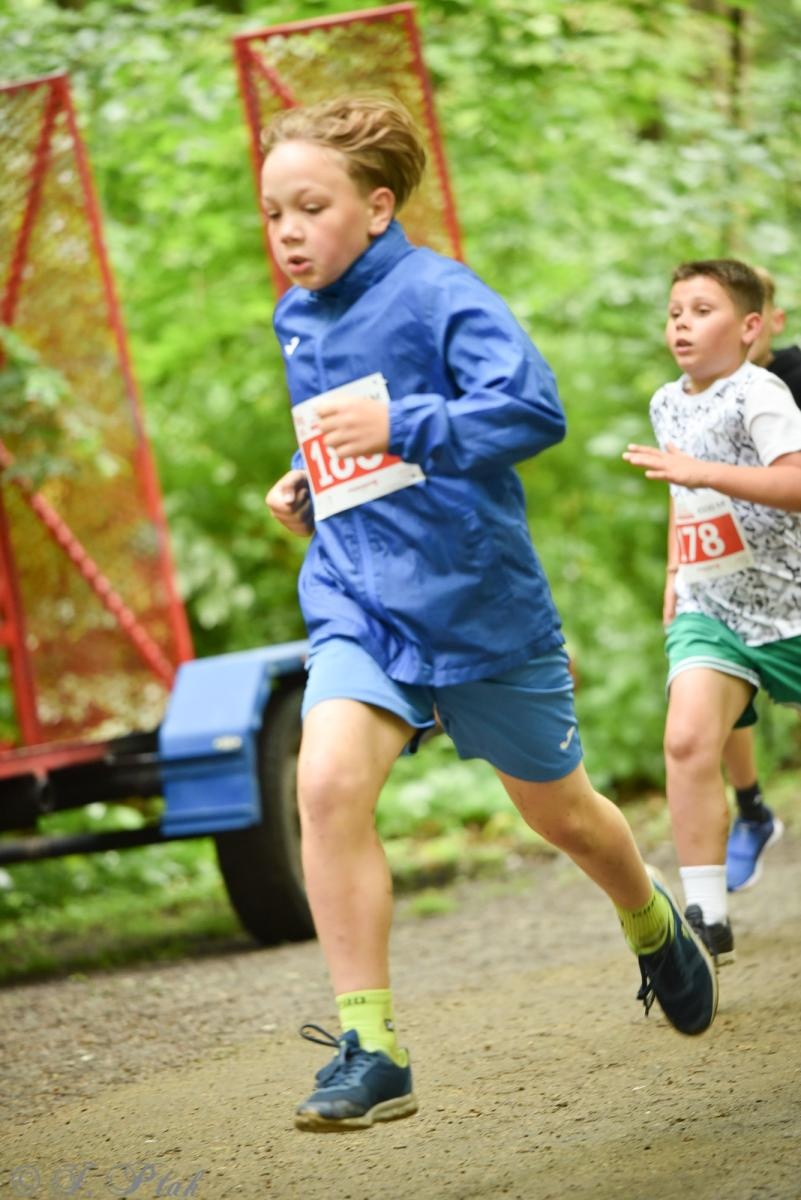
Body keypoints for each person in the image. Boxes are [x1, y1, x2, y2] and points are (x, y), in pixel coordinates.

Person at [261, 95, 717, 1134]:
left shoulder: (439, 294)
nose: (288, 232)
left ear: (378, 208)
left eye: (311, 208)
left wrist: (399, 421)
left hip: (475, 605)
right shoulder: (298, 316)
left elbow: (529, 411)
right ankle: (373, 1048)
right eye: (274, 212)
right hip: (359, 601)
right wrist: (306, 480)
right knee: (325, 785)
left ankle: (649, 918)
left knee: (564, 818)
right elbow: (347, 436)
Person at [623, 258, 801, 964]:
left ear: (750, 327)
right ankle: (705, 918)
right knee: (686, 742)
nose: (682, 325)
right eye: (674, 313)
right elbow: (683, 492)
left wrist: (705, 472)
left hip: (790, 604)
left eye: (701, 311)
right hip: (713, 604)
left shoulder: (761, 393)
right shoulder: (666, 402)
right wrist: (676, 571)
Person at [721, 266, 799, 891]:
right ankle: (750, 811)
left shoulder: (790, 379)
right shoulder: (698, 392)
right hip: (734, 571)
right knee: (712, 690)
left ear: (769, 319)